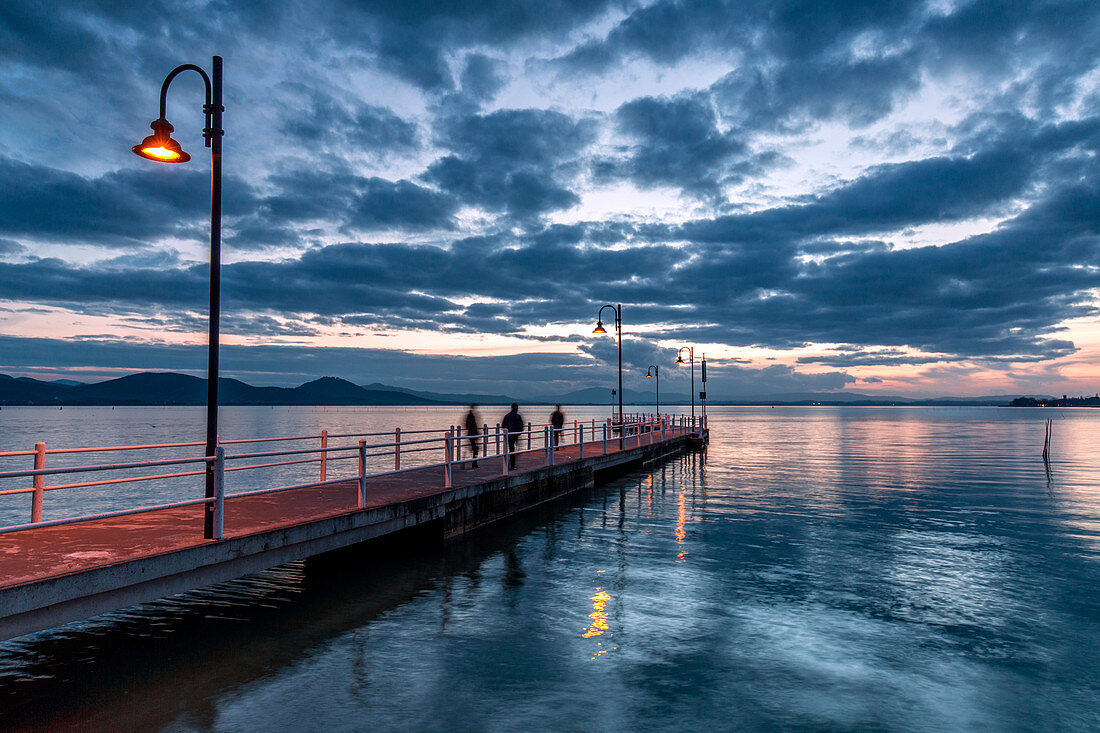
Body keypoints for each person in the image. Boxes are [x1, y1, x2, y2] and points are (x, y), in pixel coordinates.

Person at [501, 402, 525, 470]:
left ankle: (509, 463)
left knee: (511, 449)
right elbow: (521, 426)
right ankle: (512, 465)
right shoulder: (517, 416)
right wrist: (518, 432)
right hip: (515, 435)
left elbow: (503, 425)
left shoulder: (507, 416)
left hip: (509, 435)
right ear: (516, 408)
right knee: (514, 449)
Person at [464, 403, 481, 468]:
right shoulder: (471, 416)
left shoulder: (470, 415)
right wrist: (474, 431)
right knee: (475, 449)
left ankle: (474, 463)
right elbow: (470, 425)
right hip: (472, 434)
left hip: (472, 434)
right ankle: (474, 463)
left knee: (475, 448)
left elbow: (466, 425)